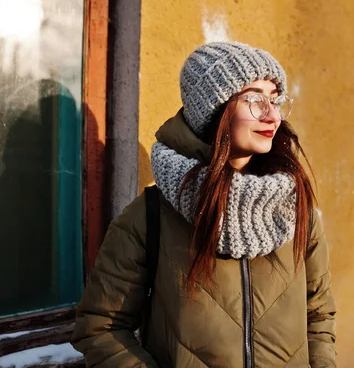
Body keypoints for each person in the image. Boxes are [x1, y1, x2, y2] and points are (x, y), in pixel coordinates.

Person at [71, 42, 336, 367]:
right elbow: (101, 326)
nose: (273, 115)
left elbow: (319, 313)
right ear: (213, 110)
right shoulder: (151, 215)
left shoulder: (296, 209)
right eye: (254, 98)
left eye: (274, 99)